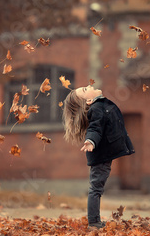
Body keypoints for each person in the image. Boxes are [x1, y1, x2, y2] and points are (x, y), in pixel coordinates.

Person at [62, 85, 134, 229]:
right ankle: (94, 222)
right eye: (84, 89)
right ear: (88, 101)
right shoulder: (96, 108)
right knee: (96, 188)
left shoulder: (100, 104)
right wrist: (90, 141)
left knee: (96, 188)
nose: (88, 85)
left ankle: (94, 221)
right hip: (100, 155)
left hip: (104, 153)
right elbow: (95, 127)